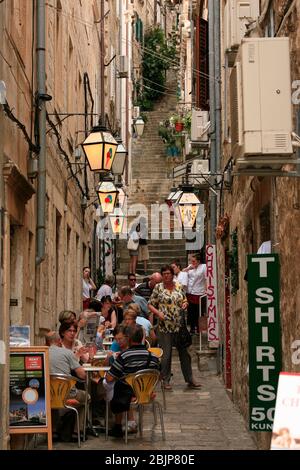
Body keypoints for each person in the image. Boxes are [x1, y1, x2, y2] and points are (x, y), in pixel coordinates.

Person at [148, 265, 201, 391]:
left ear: (172, 275)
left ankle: (190, 378)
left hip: (179, 326)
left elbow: (185, 300)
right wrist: (158, 313)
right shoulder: (158, 288)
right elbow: (150, 304)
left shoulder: (178, 286)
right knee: (166, 355)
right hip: (164, 327)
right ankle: (165, 380)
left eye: (168, 273)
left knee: (185, 354)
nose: (166, 275)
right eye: (164, 273)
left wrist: (185, 304)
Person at [103, 324, 160, 438]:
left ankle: (117, 425)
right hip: (147, 393)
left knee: (115, 386)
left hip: (128, 396)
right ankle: (129, 423)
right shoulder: (153, 357)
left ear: (129, 338)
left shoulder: (125, 356)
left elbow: (109, 378)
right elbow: (159, 376)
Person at [46, 331, 87, 441]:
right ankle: (77, 431)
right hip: (68, 395)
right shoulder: (67, 353)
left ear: (47, 342)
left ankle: (53, 430)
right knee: (86, 397)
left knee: (53, 394)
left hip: (48, 396)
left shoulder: (42, 353)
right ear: (59, 341)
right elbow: (82, 375)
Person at [183, 253, 207, 334]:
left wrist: (207, 289)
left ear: (198, 261)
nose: (192, 262)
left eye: (194, 261)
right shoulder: (190, 267)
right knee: (190, 311)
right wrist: (189, 268)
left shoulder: (203, 267)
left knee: (198, 311)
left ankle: (198, 327)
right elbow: (182, 273)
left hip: (199, 292)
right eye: (191, 261)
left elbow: (206, 278)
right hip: (190, 292)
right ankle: (192, 328)